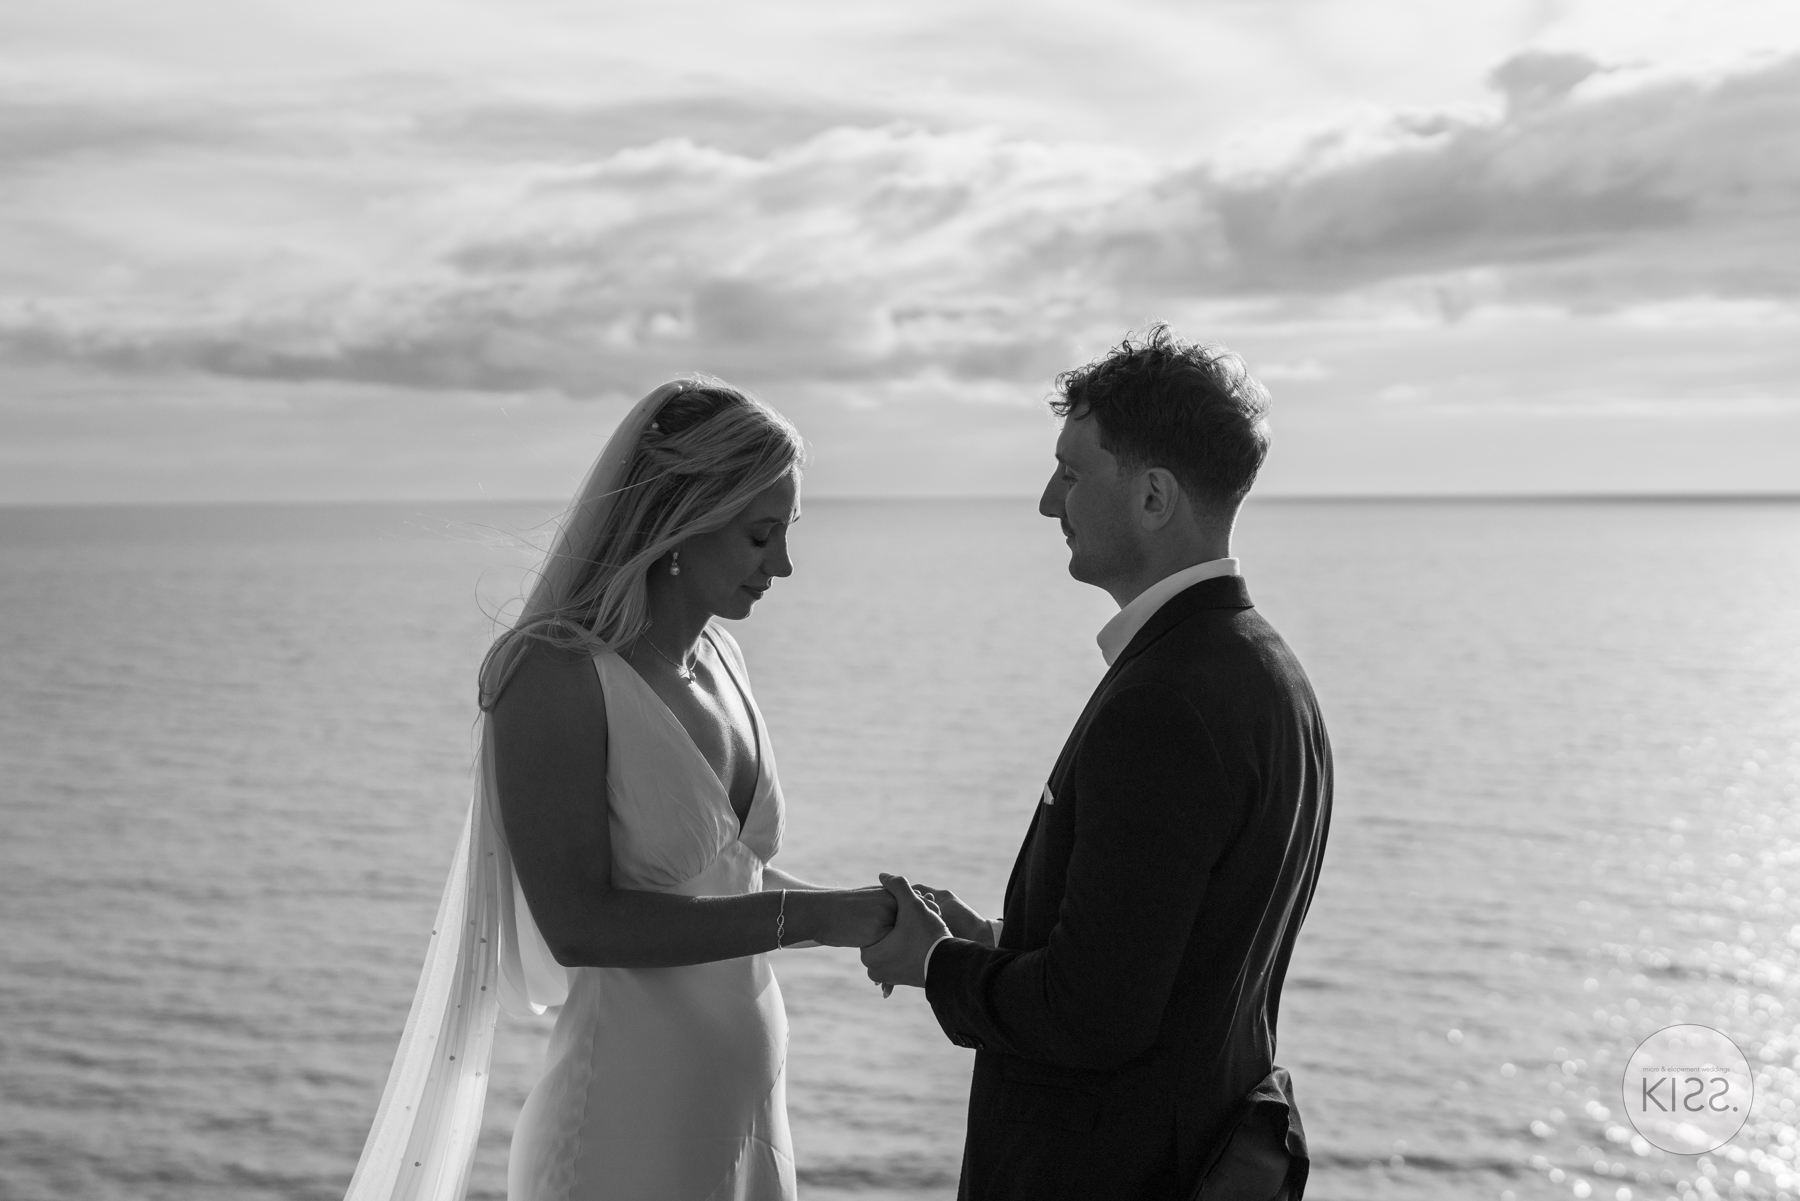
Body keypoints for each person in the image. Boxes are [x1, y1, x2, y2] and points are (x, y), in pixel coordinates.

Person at [343, 378, 897, 1201]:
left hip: (741, 1113)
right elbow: (580, 922)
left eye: (786, 532)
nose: (782, 564)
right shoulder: (555, 676)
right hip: (625, 1128)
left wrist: (869, 911)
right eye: (760, 535)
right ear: (681, 518)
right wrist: (815, 918)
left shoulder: (723, 661)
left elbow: (721, 884)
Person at [862, 325, 1333, 1201]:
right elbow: (1161, 966)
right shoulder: (1272, 673)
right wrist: (1001, 944)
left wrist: (934, 963)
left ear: (1153, 496)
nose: (1048, 502)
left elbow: (1095, 1017)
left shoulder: (1165, 702)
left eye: (1072, 473)